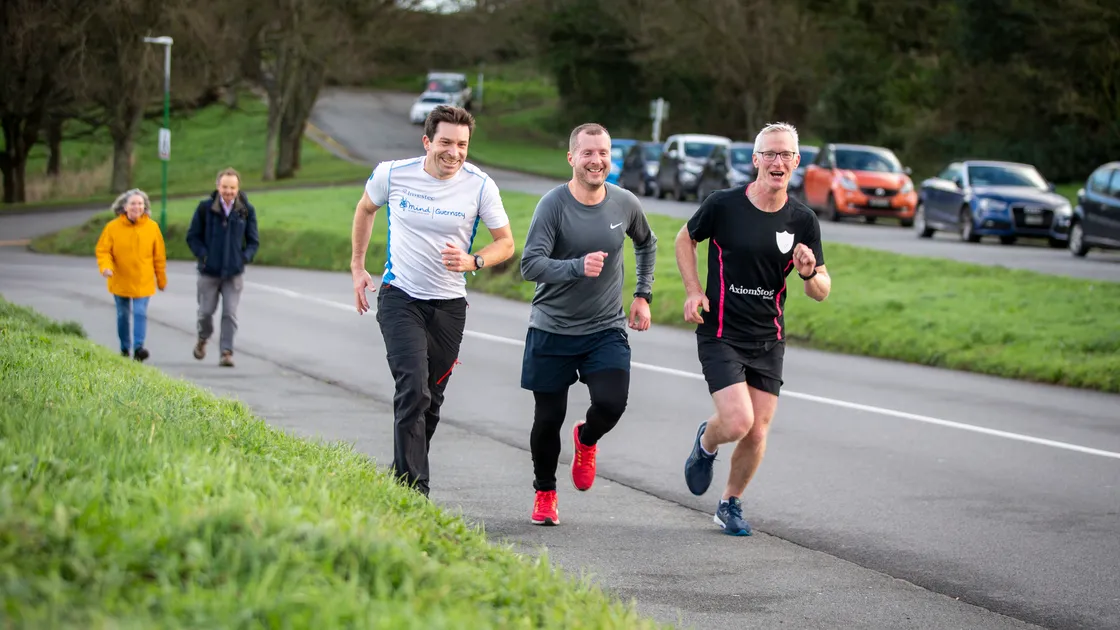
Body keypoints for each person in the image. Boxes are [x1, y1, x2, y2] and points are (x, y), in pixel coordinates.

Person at [350, 104, 515, 498]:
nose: (453, 152)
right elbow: (365, 208)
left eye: (462, 144)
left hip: (449, 306)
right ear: (427, 141)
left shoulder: (480, 186)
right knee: (414, 388)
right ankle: (413, 491)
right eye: (445, 142)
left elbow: (505, 243)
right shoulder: (392, 174)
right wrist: (358, 266)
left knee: (431, 401)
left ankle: (401, 471)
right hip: (400, 296)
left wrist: (474, 260)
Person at [675, 122, 831, 536]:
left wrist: (809, 272)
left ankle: (729, 503)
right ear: (756, 159)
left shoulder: (803, 220)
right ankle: (707, 443)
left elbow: (821, 290)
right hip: (721, 331)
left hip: (768, 338)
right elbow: (684, 240)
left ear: (796, 162)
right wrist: (693, 291)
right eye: (770, 154)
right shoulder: (723, 205)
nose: (778, 162)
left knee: (758, 429)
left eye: (786, 155)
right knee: (739, 421)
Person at [519, 122, 658, 526]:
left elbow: (646, 242)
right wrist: (576, 267)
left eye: (603, 153)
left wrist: (642, 294)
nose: (597, 161)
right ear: (571, 158)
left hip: (604, 327)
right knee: (547, 420)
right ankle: (545, 492)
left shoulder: (624, 202)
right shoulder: (553, 205)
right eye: (588, 153)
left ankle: (587, 438)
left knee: (613, 403)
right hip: (552, 327)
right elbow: (530, 264)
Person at [186, 167, 259, 368]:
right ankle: (203, 338)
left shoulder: (246, 210)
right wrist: (204, 255)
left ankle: (226, 352)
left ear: (238, 188)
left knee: (230, 314)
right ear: (218, 186)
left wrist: (244, 258)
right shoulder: (205, 208)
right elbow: (192, 236)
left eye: (232, 188)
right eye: (225, 187)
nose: (228, 191)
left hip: (233, 273)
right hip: (209, 272)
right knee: (205, 312)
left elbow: (253, 241)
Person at [94, 188, 168, 361]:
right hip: (120, 280)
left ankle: (139, 348)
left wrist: (161, 280)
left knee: (140, 312)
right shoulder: (112, 228)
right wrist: (106, 267)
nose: (137, 207)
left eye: (140, 203)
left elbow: (159, 256)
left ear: (145, 207)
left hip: (143, 280)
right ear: (124, 207)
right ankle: (125, 348)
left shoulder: (152, 227)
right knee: (123, 314)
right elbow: (103, 251)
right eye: (133, 203)